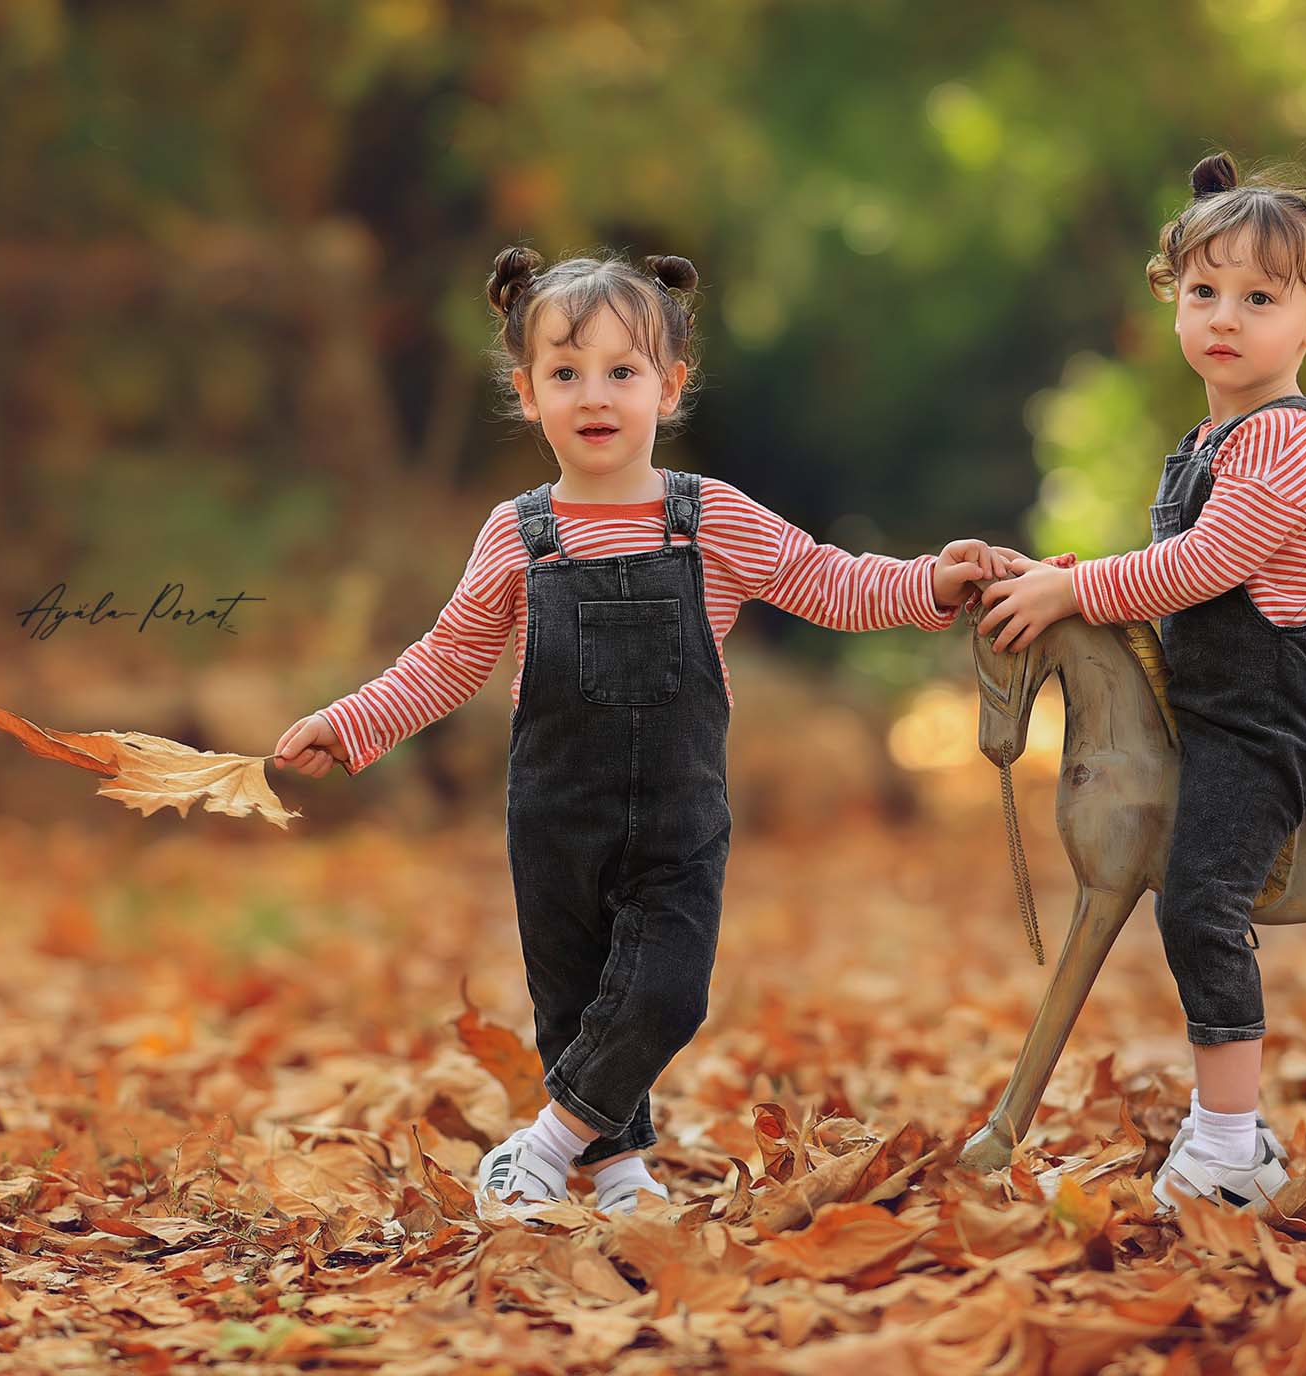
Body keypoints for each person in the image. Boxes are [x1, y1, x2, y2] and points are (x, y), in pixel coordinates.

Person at [273, 247, 992, 1214]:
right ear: (527, 394)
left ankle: (537, 1148)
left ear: (671, 385)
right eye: (565, 374)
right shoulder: (518, 534)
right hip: (554, 816)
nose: (595, 394)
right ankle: (616, 1170)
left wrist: (931, 582)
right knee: (575, 1005)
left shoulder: (708, 519)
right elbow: (445, 660)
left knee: (664, 993)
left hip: (677, 816)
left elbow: (828, 580)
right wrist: (346, 725)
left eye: (622, 371)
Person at [968, 151, 1306, 1214]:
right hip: (1199, 703)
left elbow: (1200, 567)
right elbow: (1164, 578)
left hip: (1263, 722)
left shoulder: (1289, 441)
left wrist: (1080, 595)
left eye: (1258, 299)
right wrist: (1073, 579)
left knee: (1200, 900)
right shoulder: (1206, 440)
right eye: (1203, 292)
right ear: (1172, 302)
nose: (1224, 318)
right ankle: (1222, 1132)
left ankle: (1230, 1142)